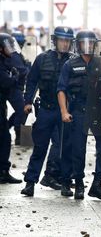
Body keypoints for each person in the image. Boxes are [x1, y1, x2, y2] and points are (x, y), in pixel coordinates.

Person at [57, 30, 101, 201]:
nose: (87, 46)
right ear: (78, 44)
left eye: (90, 43)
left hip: (98, 110)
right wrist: (64, 112)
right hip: (78, 110)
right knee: (77, 149)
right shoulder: (70, 64)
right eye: (84, 43)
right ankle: (79, 183)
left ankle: (97, 183)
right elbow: (61, 89)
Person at [20, 27, 74, 196]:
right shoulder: (42, 59)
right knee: (40, 147)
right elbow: (32, 81)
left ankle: (63, 181)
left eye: (67, 41)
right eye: (61, 40)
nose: (64, 44)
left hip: (64, 111)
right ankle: (30, 182)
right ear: (55, 41)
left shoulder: (73, 61)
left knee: (63, 148)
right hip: (45, 109)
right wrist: (27, 101)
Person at [0, 33, 23, 184]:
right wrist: (15, 77)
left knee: (4, 137)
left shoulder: (4, 60)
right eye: (7, 46)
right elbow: (5, 82)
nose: (11, 49)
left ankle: (3, 170)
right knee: (4, 138)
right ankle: (2, 171)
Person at [2, 33, 29, 145]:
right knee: (23, 110)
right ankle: (17, 134)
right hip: (14, 88)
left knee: (21, 110)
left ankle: (8, 127)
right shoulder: (14, 55)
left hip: (15, 87)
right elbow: (22, 71)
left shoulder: (14, 54)